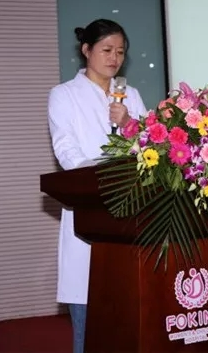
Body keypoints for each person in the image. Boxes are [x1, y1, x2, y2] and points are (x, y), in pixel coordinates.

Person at [47, 19, 148, 353]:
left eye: (120, 52)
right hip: (90, 208)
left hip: (131, 212)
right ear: (86, 50)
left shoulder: (131, 95)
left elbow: (150, 147)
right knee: (89, 326)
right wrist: (98, 176)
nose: (114, 58)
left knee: (131, 322)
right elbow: (66, 150)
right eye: (106, 50)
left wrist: (128, 122)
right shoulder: (64, 95)